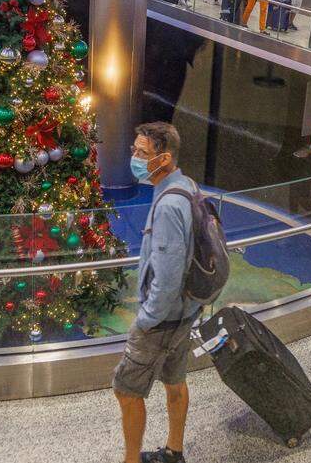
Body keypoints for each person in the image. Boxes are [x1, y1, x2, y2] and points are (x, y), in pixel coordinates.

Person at [113, 122, 201, 463]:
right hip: (186, 311)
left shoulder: (167, 206)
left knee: (126, 390)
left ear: (163, 159)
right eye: (134, 150)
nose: (134, 158)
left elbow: (167, 276)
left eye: (142, 153)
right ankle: (174, 451)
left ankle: (131, 460)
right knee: (174, 380)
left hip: (162, 320)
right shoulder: (186, 186)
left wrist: (146, 320)